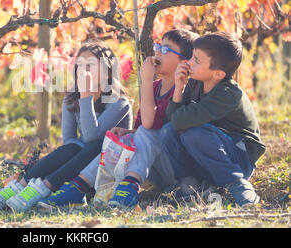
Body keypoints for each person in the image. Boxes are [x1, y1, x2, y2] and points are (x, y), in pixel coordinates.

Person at [37, 29, 199, 209]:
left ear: (184, 63)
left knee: (146, 131)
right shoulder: (154, 87)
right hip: (154, 168)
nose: (158, 52)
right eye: (158, 46)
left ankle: (128, 184)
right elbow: (140, 129)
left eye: (166, 49)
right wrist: (126, 133)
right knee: (120, 140)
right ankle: (79, 185)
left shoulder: (185, 90)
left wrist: (145, 79)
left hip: (176, 170)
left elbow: (149, 126)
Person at [0, 40, 133, 212]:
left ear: (108, 72)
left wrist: (86, 98)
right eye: (80, 65)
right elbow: (69, 139)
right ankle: (19, 188)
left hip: (100, 175)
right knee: (72, 147)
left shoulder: (119, 103)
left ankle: (39, 190)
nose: (84, 71)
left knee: (95, 144)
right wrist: (82, 97)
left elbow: (93, 137)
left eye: (90, 65)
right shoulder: (72, 98)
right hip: (76, 167)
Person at [156, 32, 265, 207]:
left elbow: (180, 122)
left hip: (238, 157)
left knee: (193, 133)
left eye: (196, 60)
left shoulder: (227, 94)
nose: (189, 62)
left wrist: (179, 120)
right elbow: (172, 123)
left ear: (218, 74)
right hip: (211, 152)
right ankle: (191, 186)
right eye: (192, 56)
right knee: (167, 132)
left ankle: (237, 185)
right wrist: (179, 88)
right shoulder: (195, 84)